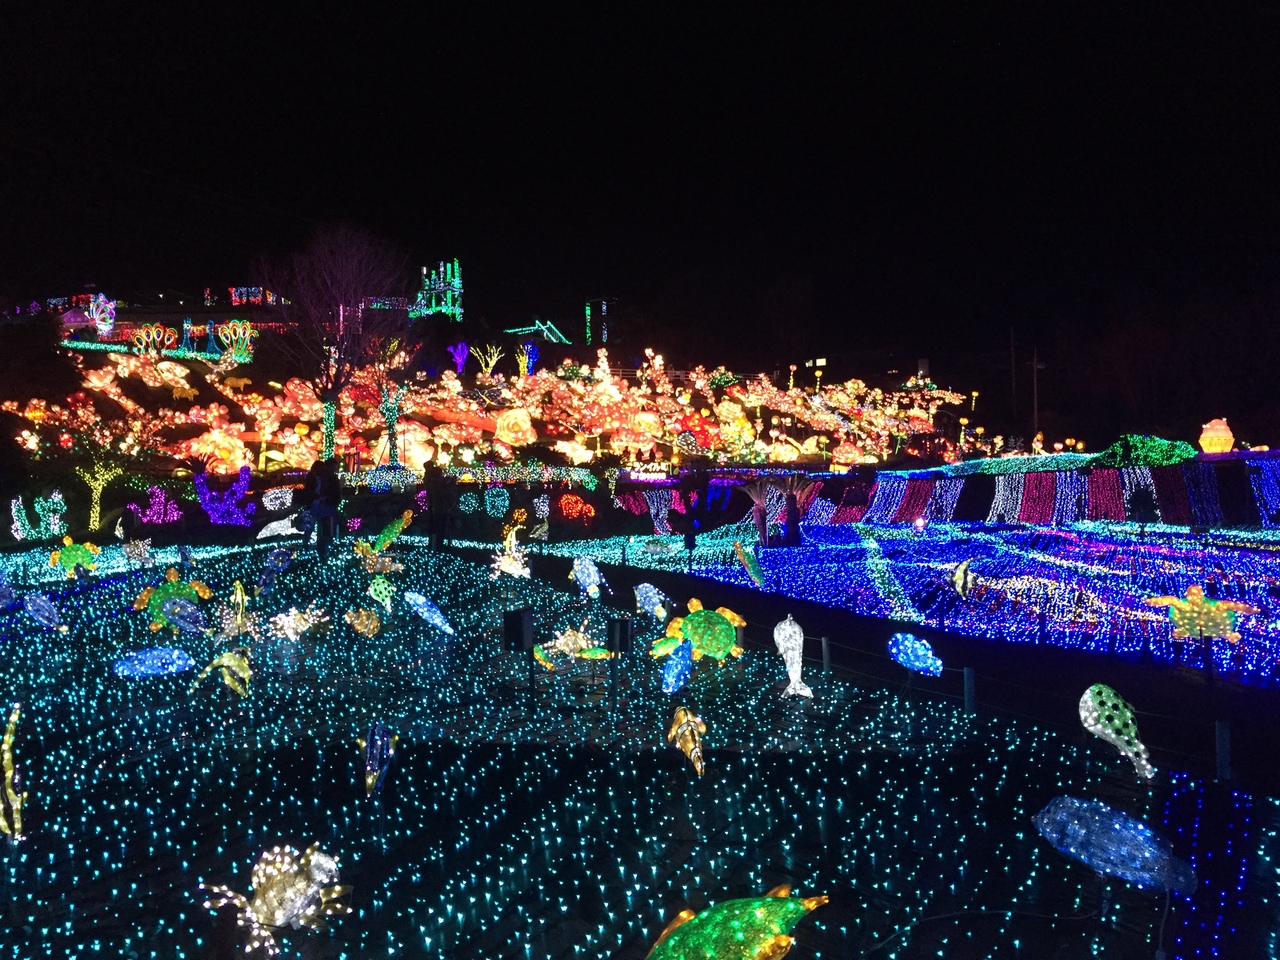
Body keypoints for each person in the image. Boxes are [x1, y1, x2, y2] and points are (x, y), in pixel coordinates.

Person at [305, 458, 342, 563]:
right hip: (324, 505)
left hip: (326, 504)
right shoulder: (325, 478)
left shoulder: (328, 478)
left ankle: (322, 548)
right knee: (322, 527)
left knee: (324, 527)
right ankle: (322, 548)